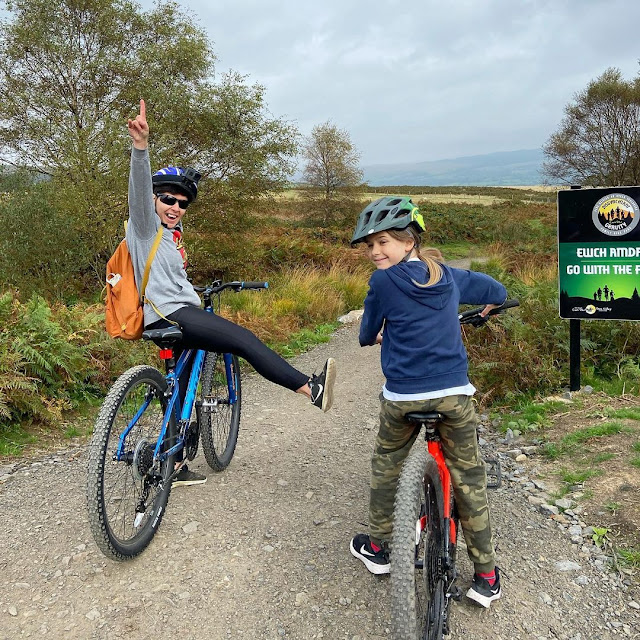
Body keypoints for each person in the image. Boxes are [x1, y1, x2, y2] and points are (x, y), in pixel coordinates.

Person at [125, 99, 336, 486]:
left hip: (169, 310)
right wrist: (141, 148)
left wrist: (191, 290)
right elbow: (138, 195)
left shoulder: (171, 236)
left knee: (177, 381)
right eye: (167, 199)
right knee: (243, 340)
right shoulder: (143, 226)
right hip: (171, 314)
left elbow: (167, 278)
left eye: (182, 203)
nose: (174, 207)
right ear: (154, 199)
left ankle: (173, 464)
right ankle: (311, 388)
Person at [348, 196, 507, 609]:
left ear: (408, 241)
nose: (375, 252)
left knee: (387, 463)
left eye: (382, 242)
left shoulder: (382, 282)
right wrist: (487, 308)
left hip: (402, 398)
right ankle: (486, 576)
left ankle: (381, 549)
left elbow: (366, 333)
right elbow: (497, 290)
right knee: (469, 478)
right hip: (454, 396)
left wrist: (379, 335)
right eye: (370, 246)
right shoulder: (451, 277)